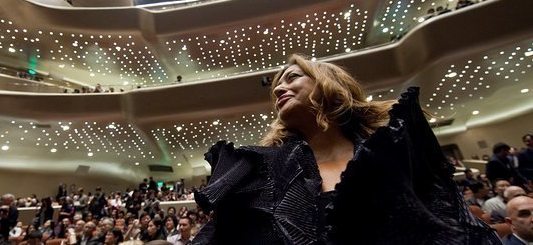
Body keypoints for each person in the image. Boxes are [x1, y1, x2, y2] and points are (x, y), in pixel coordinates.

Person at [192, 54, 501, 244]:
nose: (277, 89)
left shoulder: (396, 152)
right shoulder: (255, 170)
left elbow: (458, 223)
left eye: (292, 78)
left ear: (328, 84)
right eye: (275, 86)